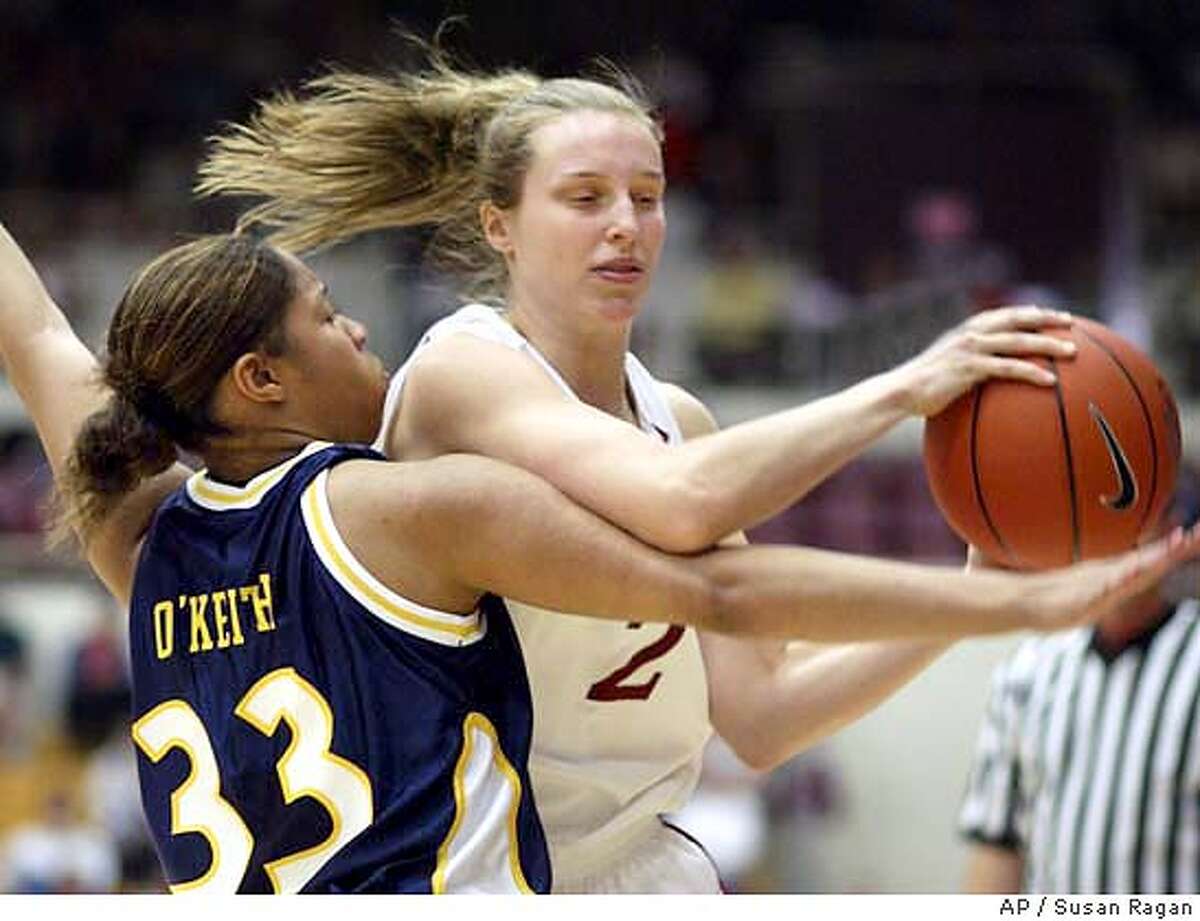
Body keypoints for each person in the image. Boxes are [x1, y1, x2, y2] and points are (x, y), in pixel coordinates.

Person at [195, 50, 1173, 892]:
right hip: (483, 872)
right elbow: (679, 501)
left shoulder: (682, 421)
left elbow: (762, 717)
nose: (625, 223)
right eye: (585, 199)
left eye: (648, 198)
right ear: (499, 226)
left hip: (650, 864)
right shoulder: (462, 373)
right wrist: (904, 388)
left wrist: (969, 588)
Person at [7, 224, 1194, 897]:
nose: (358, 325)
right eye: (326, 314)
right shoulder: (411, 510)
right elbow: (719, 587)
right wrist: (1018, 601)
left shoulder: (133, 534)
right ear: (260, 383)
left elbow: (36, 332)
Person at [960, 489, 1200, 894]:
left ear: (1171, 529)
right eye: (1101, 521)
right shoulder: (1027, 670)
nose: (1116, 541)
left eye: (1133, 518)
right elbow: (997, 844)